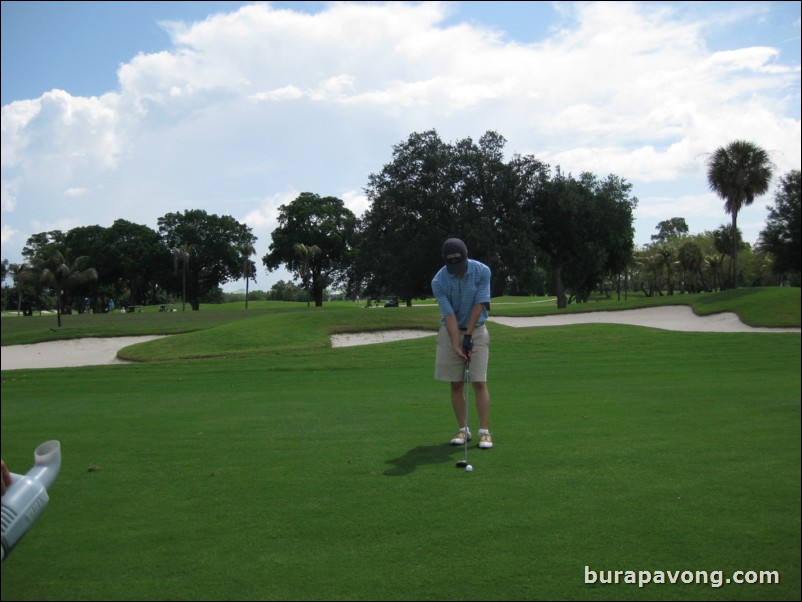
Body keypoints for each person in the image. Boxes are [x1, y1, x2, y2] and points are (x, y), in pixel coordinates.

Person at [431, 238, 493, 449]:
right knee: (456, 383)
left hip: (476, 330)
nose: (456, 271)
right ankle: (463, 429)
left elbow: (479, 303)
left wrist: (467, 336)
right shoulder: (438, 281)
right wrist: (456, 344)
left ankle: (484, 432)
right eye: (452, 266)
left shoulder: (482, 271)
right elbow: (448, 315)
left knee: (478, 382)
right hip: (451, 332)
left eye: (460, 265)